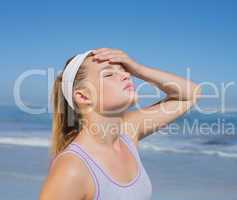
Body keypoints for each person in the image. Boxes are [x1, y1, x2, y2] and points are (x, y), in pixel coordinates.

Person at [39, 48, 201, 200]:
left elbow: (191, 94)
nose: (126, 76)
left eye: (125, 71)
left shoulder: (128, 132)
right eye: (108, 75)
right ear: (83, 97)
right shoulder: (72, 168)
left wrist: (138, 69)